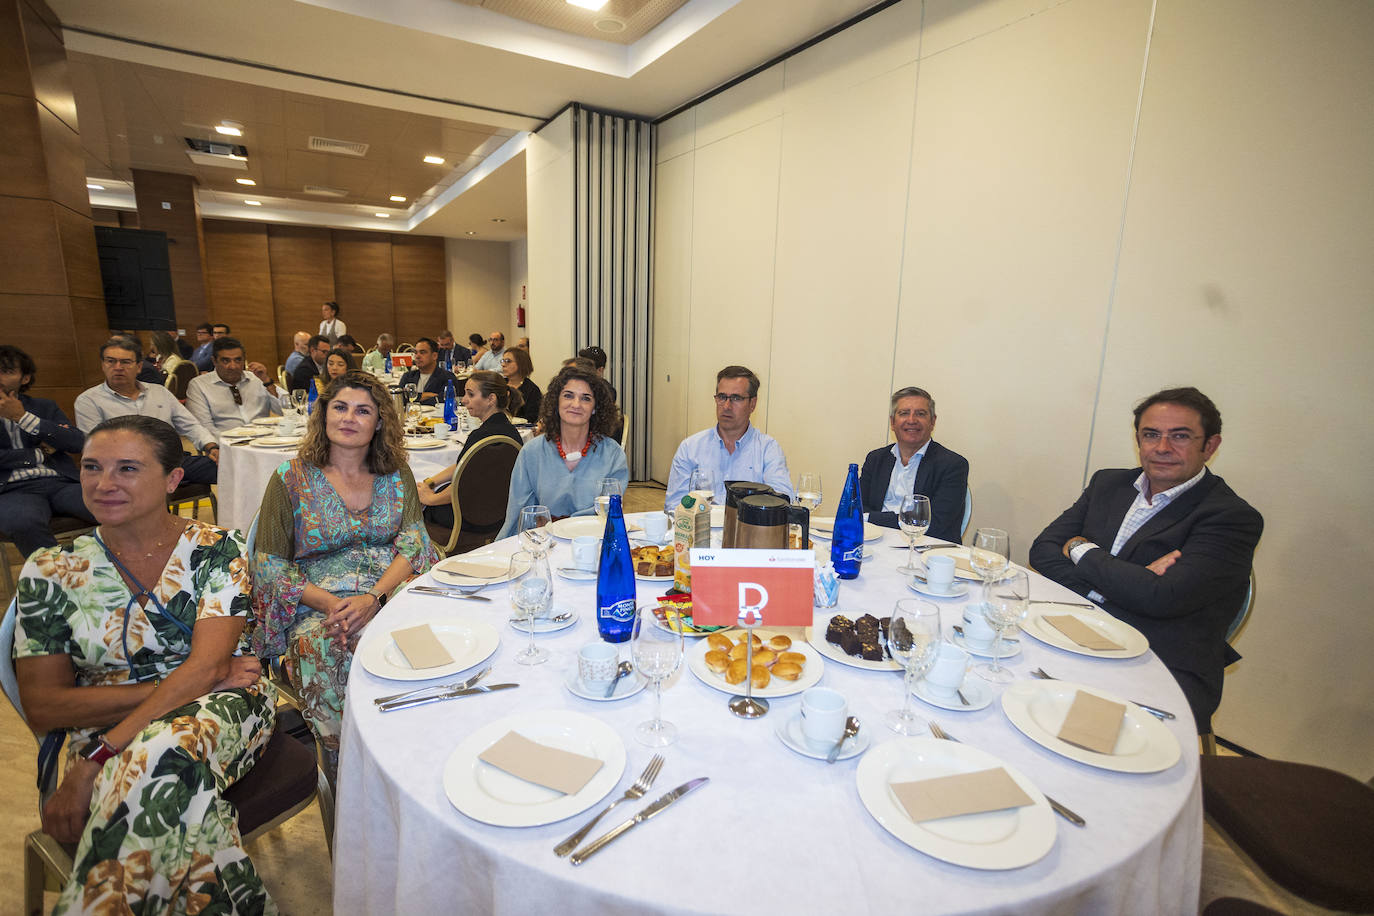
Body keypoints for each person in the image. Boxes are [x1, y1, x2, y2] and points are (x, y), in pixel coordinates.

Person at [13, 415, 276, 913]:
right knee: (171, 786)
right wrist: (194, 679)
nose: (103, 484)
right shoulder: (50, 570)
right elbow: (45, 706)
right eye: (92, 467)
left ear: (172, 480)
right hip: (136, 714)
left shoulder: (217, 549)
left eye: (127, 468)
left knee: (163, 750)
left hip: (222, 708)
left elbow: (209, 669)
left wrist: (98, 759)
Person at [1028, 386, 1263, 733]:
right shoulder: (1109, 484)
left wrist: (1079, 548)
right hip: (1075, 632)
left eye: (1180, 436)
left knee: (1073, 742)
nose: (1162, 447)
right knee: (991, 676)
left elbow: (1161, 598)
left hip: (1161, 660)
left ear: (1210, 445)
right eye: (1151, 434)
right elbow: (1042, 550)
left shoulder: (1230, 517)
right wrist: (1128, 583)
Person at [250, 372, 439, 775]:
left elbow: (414, 545)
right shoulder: (290, 478)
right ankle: (354, 766)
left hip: (390, 589)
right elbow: (267, 564)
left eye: (363, 411)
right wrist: (333, 605)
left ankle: (422, 747)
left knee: (431, 637)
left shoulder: (397, 473)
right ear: (323, 415)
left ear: (380, 422)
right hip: (317, 600)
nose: (349, 418)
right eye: (340, 407)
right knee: (335, 646)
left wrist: (374, 599)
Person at [498, 365, 627, 538]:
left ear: (595, 407)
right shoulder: (531, 453)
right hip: (544, 540)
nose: (576, 404)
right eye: (568, 395)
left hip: (595, 540)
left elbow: (609, 511)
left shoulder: (612, 454)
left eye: (586, 398)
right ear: (556, 402)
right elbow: (521, 514)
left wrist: (559, 524)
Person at [75, 335, 219, 484]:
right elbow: (95, 447)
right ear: (103, 365)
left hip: (170, 460)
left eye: (125, 362)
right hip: (125, 468)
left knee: (226, 466)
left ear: (139, 367)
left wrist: (211, 446)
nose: (117, 367)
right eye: (111, 361)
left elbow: (191, 425)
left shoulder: (159, 392)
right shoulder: (89, 401)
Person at [0, 345, 95, 556]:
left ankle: (127, 566)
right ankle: (60, 574)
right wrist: (38, 454)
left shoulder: (44, 407)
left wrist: (22, 417)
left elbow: (77, 442)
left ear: (25, 378)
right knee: (24, 522)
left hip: (60, 482)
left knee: (114, 504)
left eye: (6, 371)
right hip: (10, 489)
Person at [664, 365, 792, 511]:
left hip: (747, 524)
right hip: (700, 524)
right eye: (722, 397)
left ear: (752, 404)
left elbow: (781, 503)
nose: (726, 406)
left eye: (736, 398)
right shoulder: (690, 448)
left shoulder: (768, 450)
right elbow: (674, 506)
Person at [417, 370, 524, 533]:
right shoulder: (511, 433)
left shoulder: (480, 436)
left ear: (491, 399)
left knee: (417, 504)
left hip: (472, 517)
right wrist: (430, 482)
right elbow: (463, 467)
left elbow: (464, 484)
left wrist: (431, 499)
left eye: (471, 394)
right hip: (501, 513)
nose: (464, 400)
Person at [859, 387, 970, 542]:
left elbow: (936, 524)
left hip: (925, 548)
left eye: (920, 414)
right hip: (875, 541)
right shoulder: (876, 459)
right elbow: (855, 506)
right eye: (904, 413)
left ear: (933, 421)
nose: (911, 420)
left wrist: (871, 517)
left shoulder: (953, 465)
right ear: (892, 422)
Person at [184, 336, 284, 432]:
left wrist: (267, 381)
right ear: (214, 361)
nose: (233, 366)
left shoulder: (256, 378)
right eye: (225, 361)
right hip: (225, 441)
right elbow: (204, 427)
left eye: (238, 360)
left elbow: (285, 411)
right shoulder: (199, 385)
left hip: (264, 438)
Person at [398, 337, 457, 404]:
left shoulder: (447, 377)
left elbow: (443, 400)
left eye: (422, 352)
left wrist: (413, 397)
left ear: (434, 356)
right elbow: (399, 398)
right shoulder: (408, 376)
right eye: (415, 352)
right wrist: (425, 395)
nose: (417, 356)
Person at [499, 346, 542, 424]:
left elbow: (532, 418)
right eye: (502, 361)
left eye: (508, 361)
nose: (503, 364)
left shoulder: (532, 389)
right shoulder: (499, 384)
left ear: (521, 363)